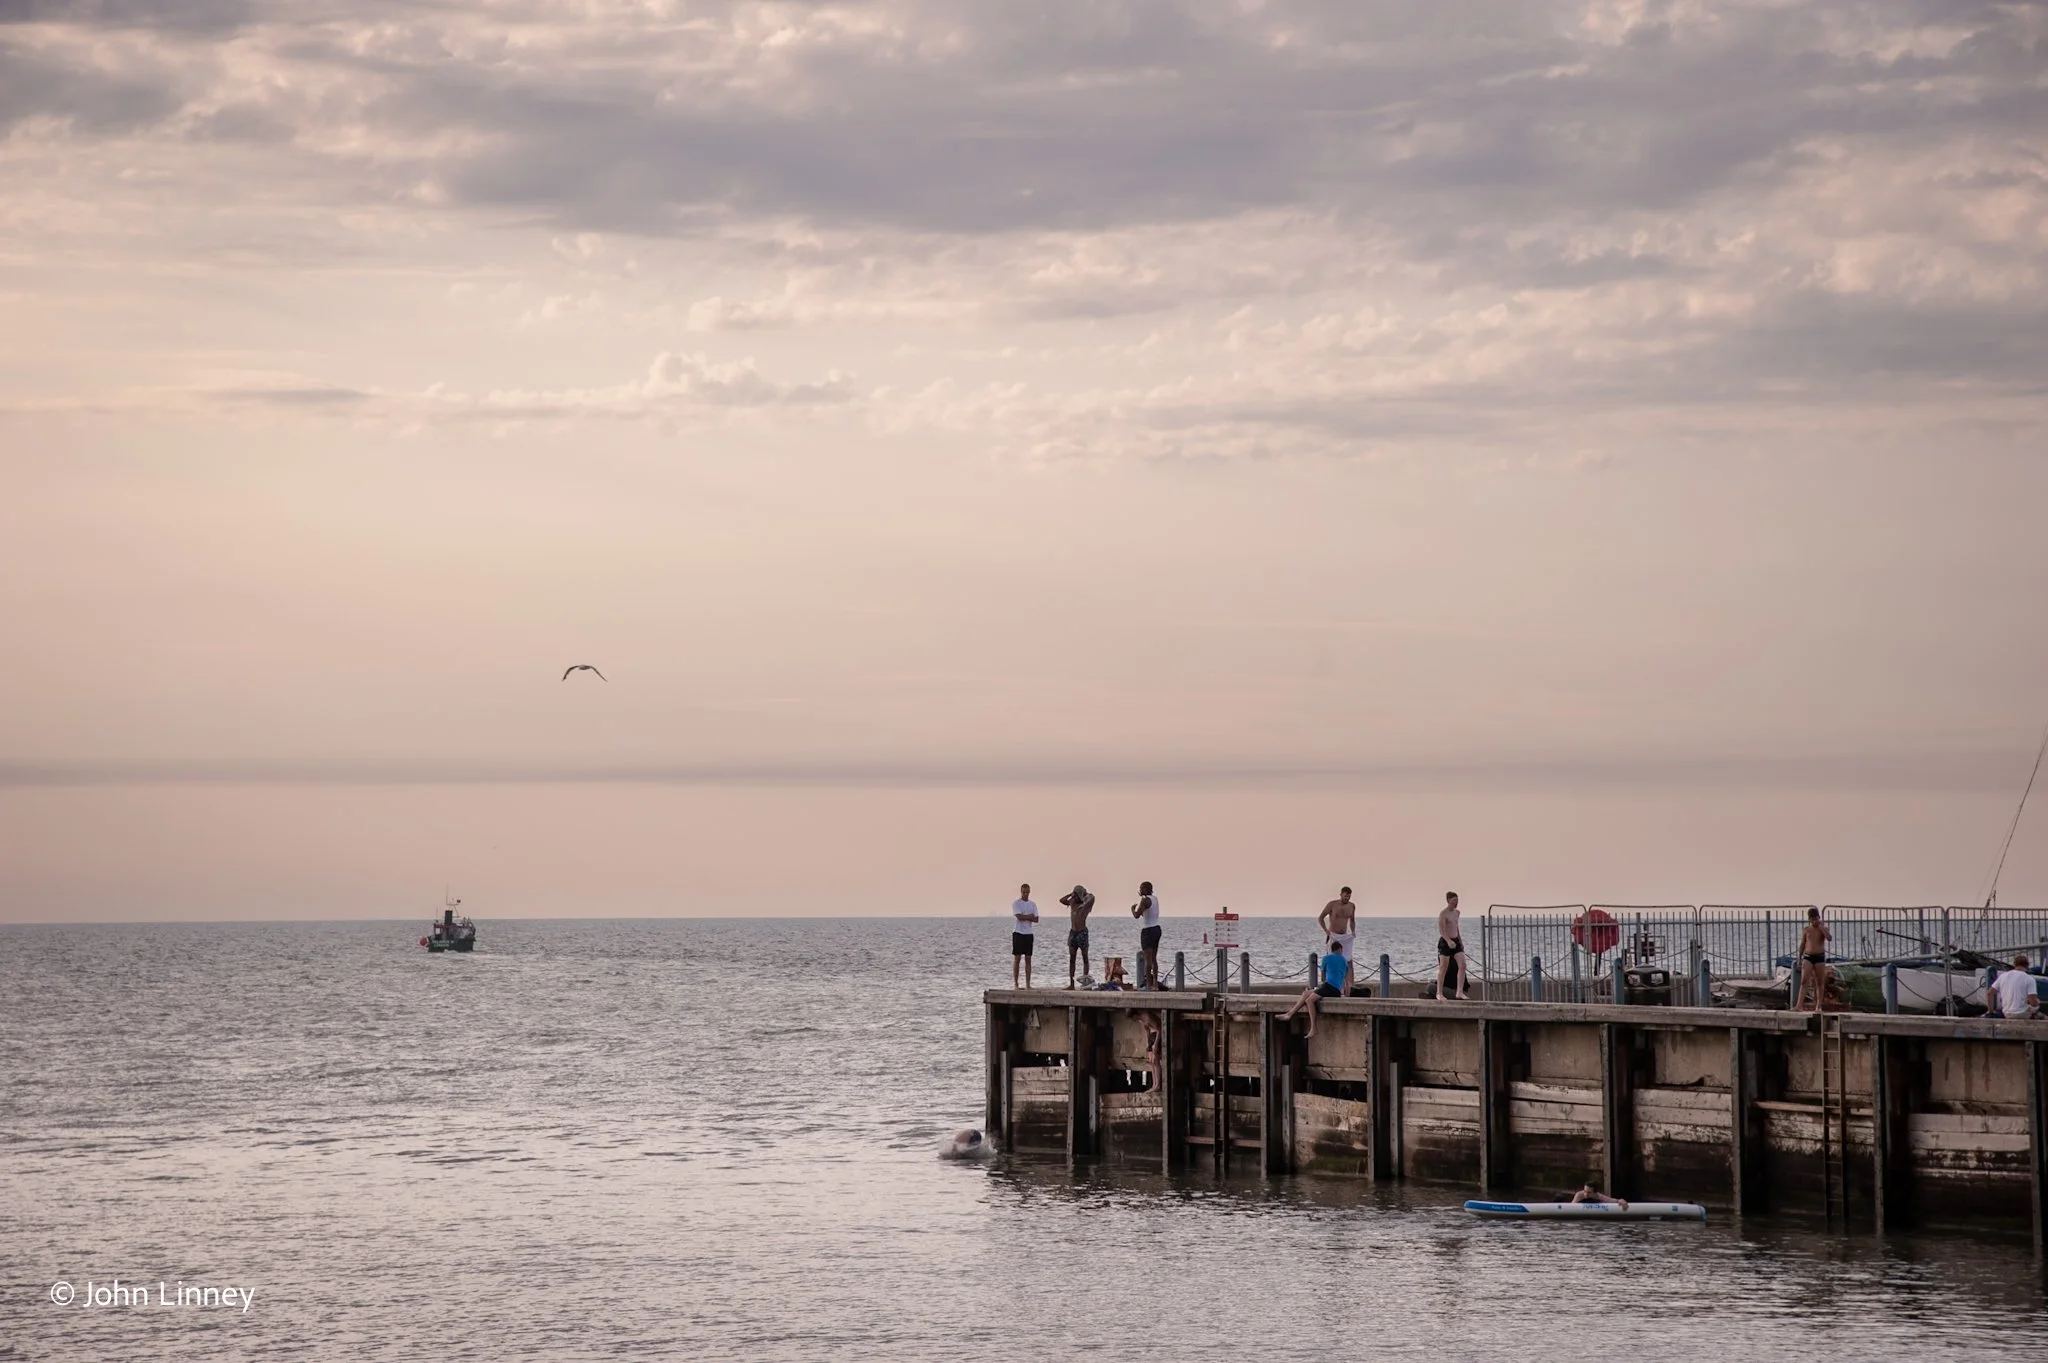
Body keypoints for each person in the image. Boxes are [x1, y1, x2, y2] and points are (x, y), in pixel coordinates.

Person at [1282, 943, 1350, 1038]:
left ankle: (1314, 1029)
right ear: (1340, 949)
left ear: (1332, 949)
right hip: (1335, 989)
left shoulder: (1327, 958)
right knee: (1306, 993)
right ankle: (1289, 1014)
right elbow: (1346, 980)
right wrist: (1346, 994)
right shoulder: (1344, 960)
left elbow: (1323, 977)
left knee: (1309, 1000)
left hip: (1330, 987)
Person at [1319, 886, 1357, 991]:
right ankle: (1326, 983)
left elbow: (1352, 920)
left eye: (1349, 897)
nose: (1347, 899)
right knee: (1331, 959)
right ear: (1341, 894)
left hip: (1345, 936)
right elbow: (1320, 918)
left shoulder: (1352, 906)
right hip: (1333, 935)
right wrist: (1326, 930)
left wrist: (1353, 931)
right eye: (1345, 896)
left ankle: (1349, 986)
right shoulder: (1332, 905)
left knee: (1348, 961)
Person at [1795, 907, 1832, 1012]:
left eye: (1816, 918)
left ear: (1819, 918)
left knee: (1819, 982)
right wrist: (1799, 957)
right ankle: (1799, 1005)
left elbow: (1829, 938)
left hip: (1819, 957)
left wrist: (1821, 927)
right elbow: (1803, 944)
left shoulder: (1824, 929)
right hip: (1808, 956)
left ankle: (1818, 1006)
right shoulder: (1807, 929)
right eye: (1812, 919)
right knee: (1804, 981)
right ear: (1809, 919)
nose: (1814, 921)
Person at [1060, 884, 1096, 988]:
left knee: (1085, 957)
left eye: (1076, 895)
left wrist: (1084, 894)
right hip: (1073, 933)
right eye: (1073, 895)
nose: (1074, 897)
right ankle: (1071, 983)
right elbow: (1062, 900)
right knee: (1072, 958)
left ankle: (1085, 982)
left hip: (1082, 932)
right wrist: (1070, 894)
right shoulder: (1072, 902)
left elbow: (1092, 897)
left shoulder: (1086, 904)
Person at [1436, 891, 1470, 1001]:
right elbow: (1442, 930)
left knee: (1463, 965)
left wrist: (1460, 941)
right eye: (1454, 901)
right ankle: (1439, 993)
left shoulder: (1457, 913)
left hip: (1456, 941)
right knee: (1443, 967)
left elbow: (1456, 927)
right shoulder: (1443, 914)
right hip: (1446, 942)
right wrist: (1448, 940)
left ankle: (1459, 992)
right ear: (1448, 901)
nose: (1456, 903)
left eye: (1457, 901)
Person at [1131, 881, 1162, 989]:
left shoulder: (1145, 900)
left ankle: (1149, 985)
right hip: (1157, 928)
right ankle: (1156, 984)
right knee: (1154, 958)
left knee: (1147, 959)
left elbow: (1136, 915)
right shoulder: (1155, 899)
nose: (1140, 890)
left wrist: (1132, 909)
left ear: (1145, 889)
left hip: (1147, 930)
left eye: (1141, 888)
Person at [1011, 883, 1038, 988]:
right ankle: (1016, 983)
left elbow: (1036, 919)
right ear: (1021, 892)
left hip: (1028, 934)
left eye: (1027, 892)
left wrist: (1027, 917)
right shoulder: (1016, 903)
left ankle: (1028, 984)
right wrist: (1029, 916)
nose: (1025, 894)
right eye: (1024, 892)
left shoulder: (1032, 904)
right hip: (1018, 933)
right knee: (1017, 958)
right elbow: (1019, 917)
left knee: (1028, 959)